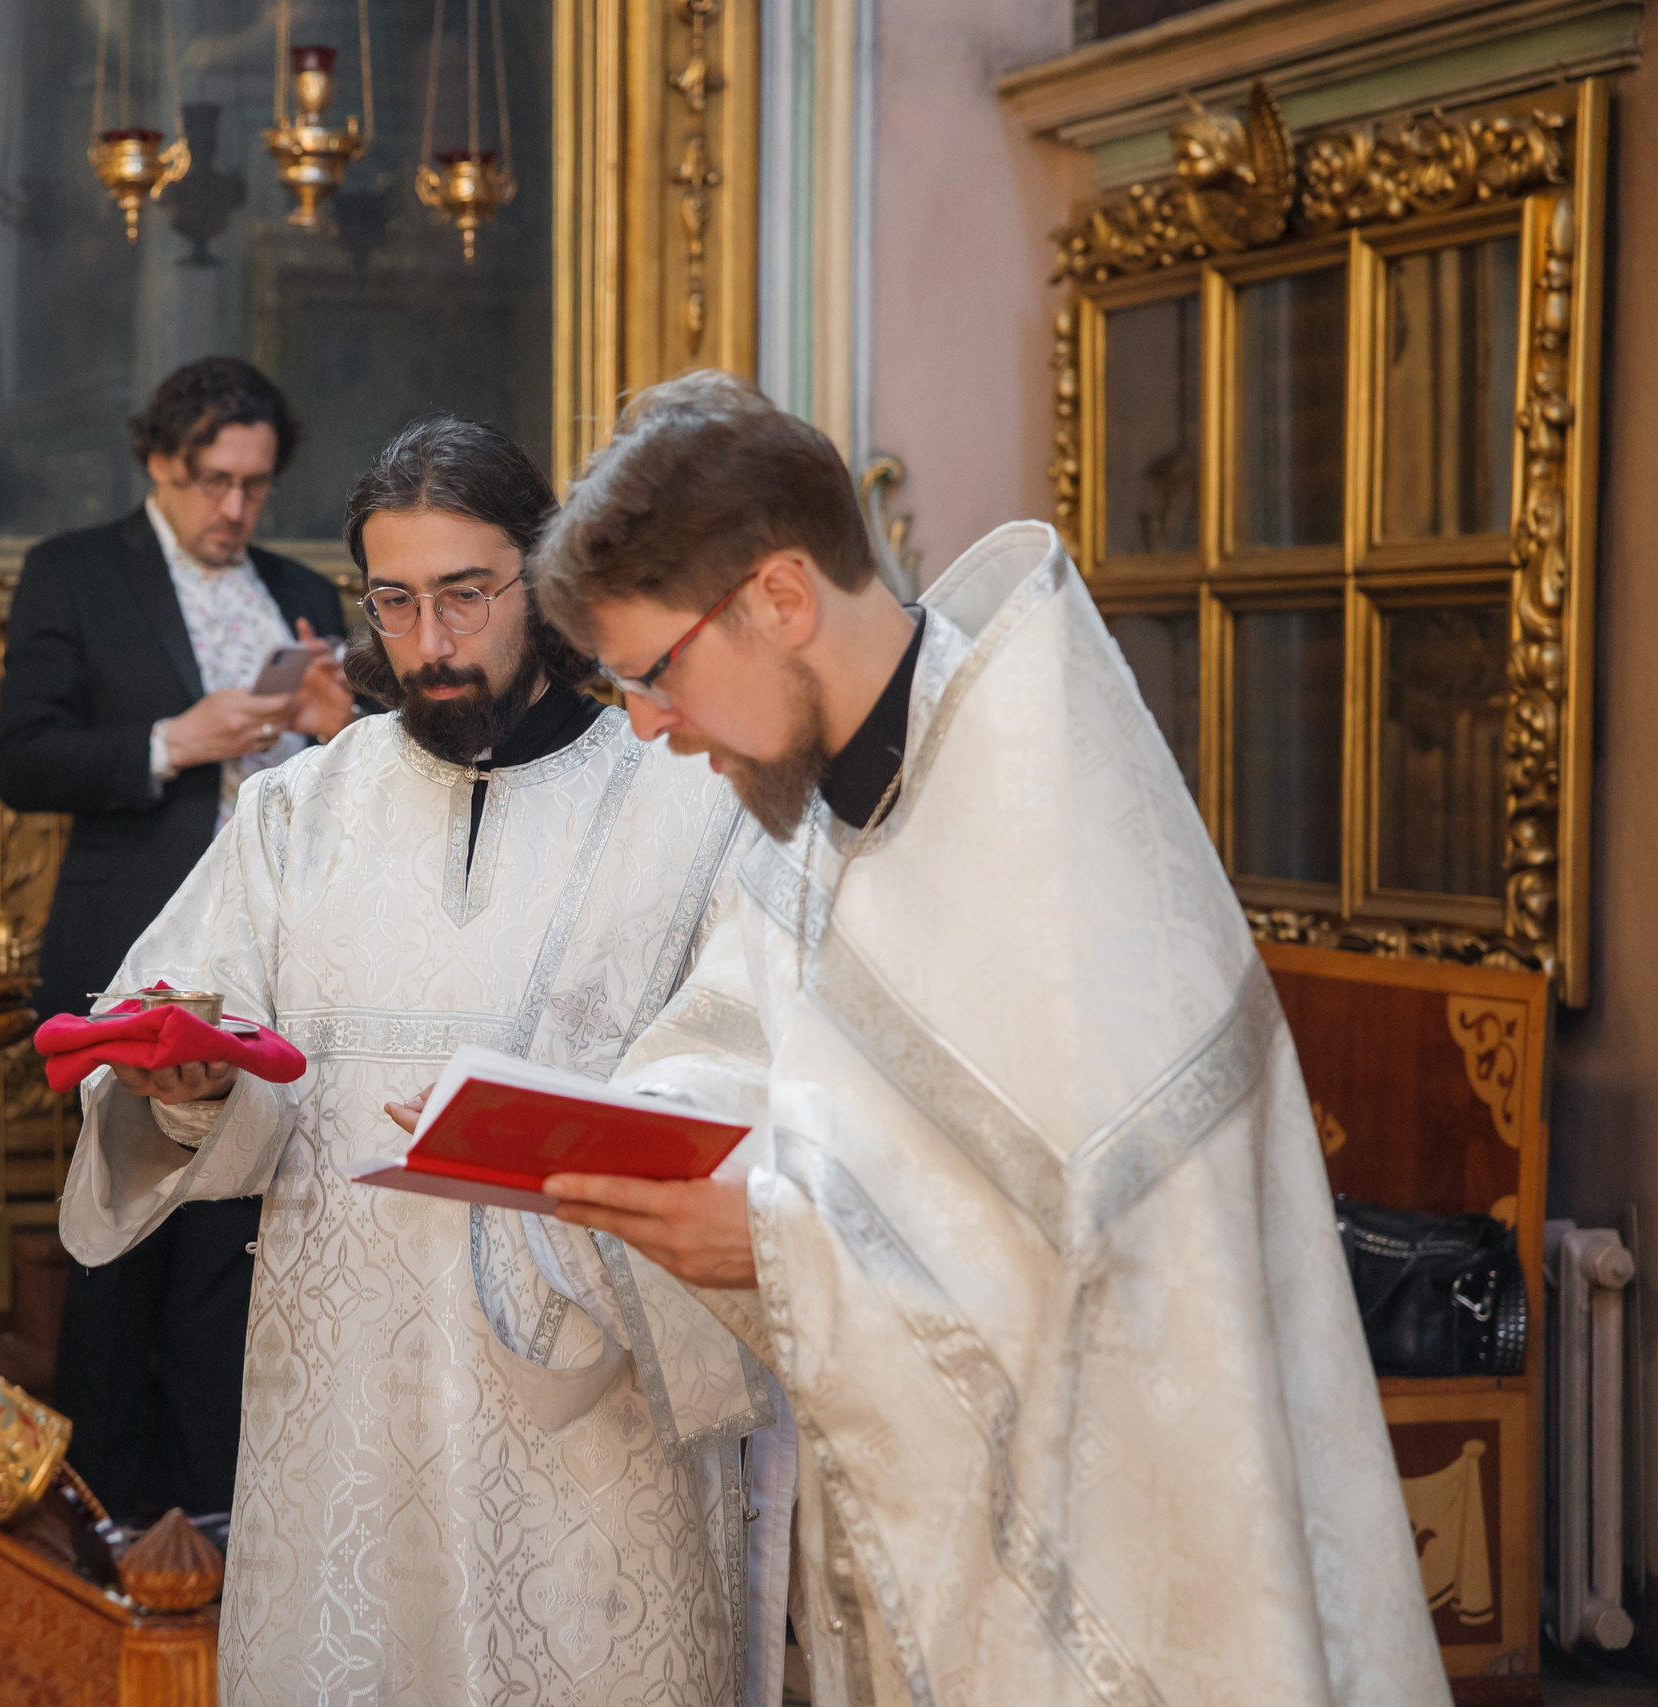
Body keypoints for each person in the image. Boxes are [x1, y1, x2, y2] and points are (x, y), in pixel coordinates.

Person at [522, 370, 1448, 1706]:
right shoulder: (817, 810)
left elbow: (1127, 1258)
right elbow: (732, 1031)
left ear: (779, 597)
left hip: (1119, 1578)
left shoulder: (1044, 810)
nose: (649, 724)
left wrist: (779, 1242)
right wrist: (627, 1137)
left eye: (654, 673)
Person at [58, 416, 770, 1704]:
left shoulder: (690, 799)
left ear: (544, 580)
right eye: (393, 601)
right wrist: (191, 1089)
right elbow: (181, 1038)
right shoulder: (297, 810)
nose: (429, 642)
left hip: (587, 1420)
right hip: (346, 1415)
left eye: (465, 595)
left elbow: (754, 1078)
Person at [0, 355, 353, 1524]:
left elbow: (361, 784)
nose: (233, 508)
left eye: (254, 485)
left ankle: (221, 1526)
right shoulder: (73, 572)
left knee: (232, 1251)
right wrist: (173, 740)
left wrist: (339, 727)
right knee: (121, 1245)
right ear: (158, 460)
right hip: (135, 950)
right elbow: (23, 760)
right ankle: (100, 1527)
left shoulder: (300, 588)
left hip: (279, 964)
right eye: (212, 482)